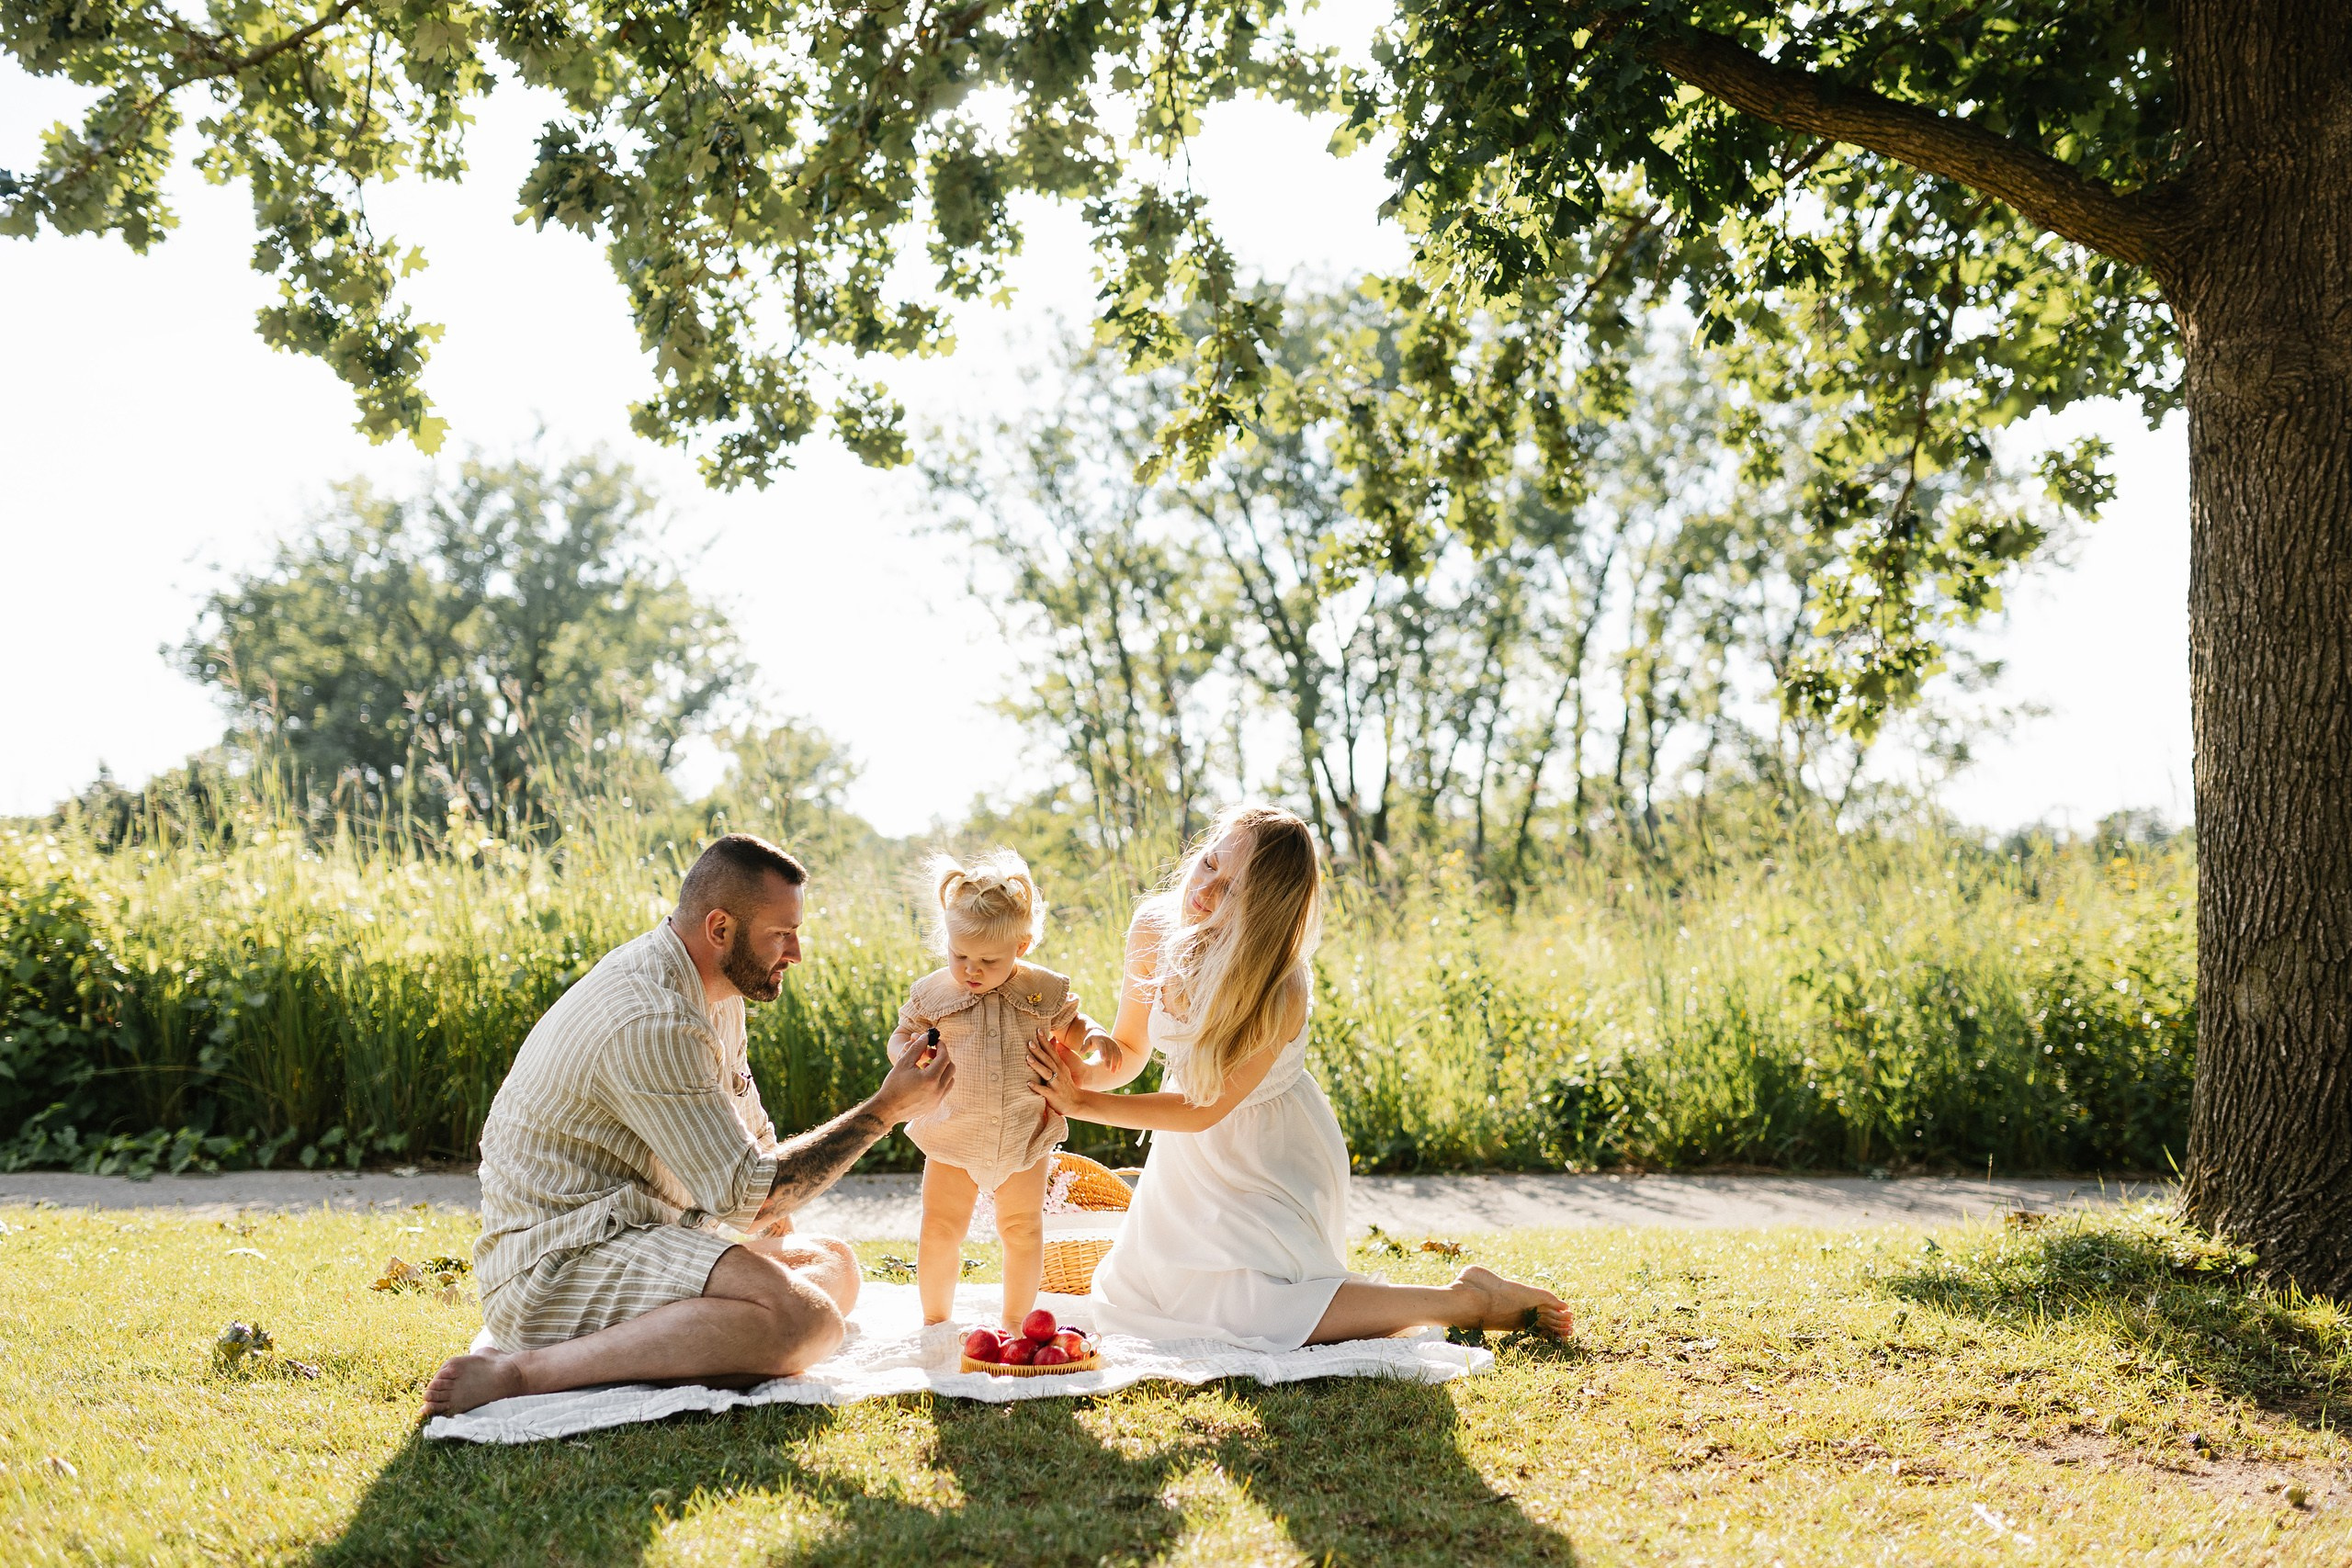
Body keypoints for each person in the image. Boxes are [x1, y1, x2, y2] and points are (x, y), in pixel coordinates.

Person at [421, 833, 955, 1417]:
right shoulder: (654, 1018)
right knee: (808, 1323)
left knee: (833, 1263)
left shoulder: (716, 990)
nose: (797, 952)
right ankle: (522, 1372)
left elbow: (752, 1137)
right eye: (781, 933)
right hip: (559, 1266)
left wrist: (766, 1271)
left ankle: (691, 1337)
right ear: (720, 929)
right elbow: (745, 1199)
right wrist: (885, 1111)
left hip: (637, 1229)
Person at [1030, 805, 1573, 1350]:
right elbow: (1128, 1052)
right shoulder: (1155, 928)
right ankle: (1457, 1299)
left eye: (1233, 890)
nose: (1205, 891)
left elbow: (1205, 1108)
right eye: (1208, 865)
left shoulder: (1281, 984)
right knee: (1142, 1299)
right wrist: (1077, 1070)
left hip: (1269, 1152)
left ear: (1265, 909)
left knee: (1254, 1312)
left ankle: (1466, 1300)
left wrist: (1082, 1104)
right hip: (1187, 1159)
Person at [887, 850, 1098, 1329]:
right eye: (959, 955)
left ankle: (1016, 1323)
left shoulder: (1042, 991)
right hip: (952, 1130)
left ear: (1021, 947)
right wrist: (908, 1052)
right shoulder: (934, 993)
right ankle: (936, 1320)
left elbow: (1073, 1024)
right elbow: (902, 1034)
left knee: (1022, 1229)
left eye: (987, 959)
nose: (971, 969)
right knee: (940, 1227)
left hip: (1022, 1133)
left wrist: (1094, 1039)